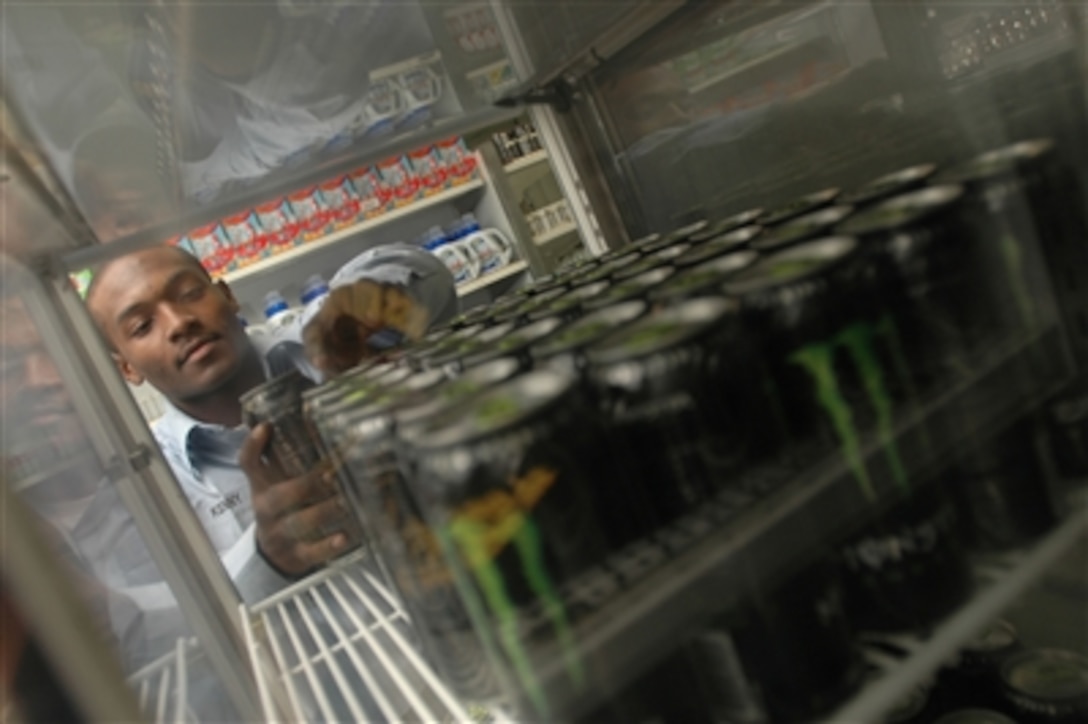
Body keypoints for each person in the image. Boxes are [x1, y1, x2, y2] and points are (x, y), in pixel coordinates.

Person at [85, 241, 458, 600]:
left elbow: (429, 272)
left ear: (228, 296)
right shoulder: (154, 488)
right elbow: (179, 623)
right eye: (142, 326)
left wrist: (366, 307)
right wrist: (266, 558)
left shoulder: (311, 346)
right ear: (126, 368)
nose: (180, 322)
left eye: (189, 294)